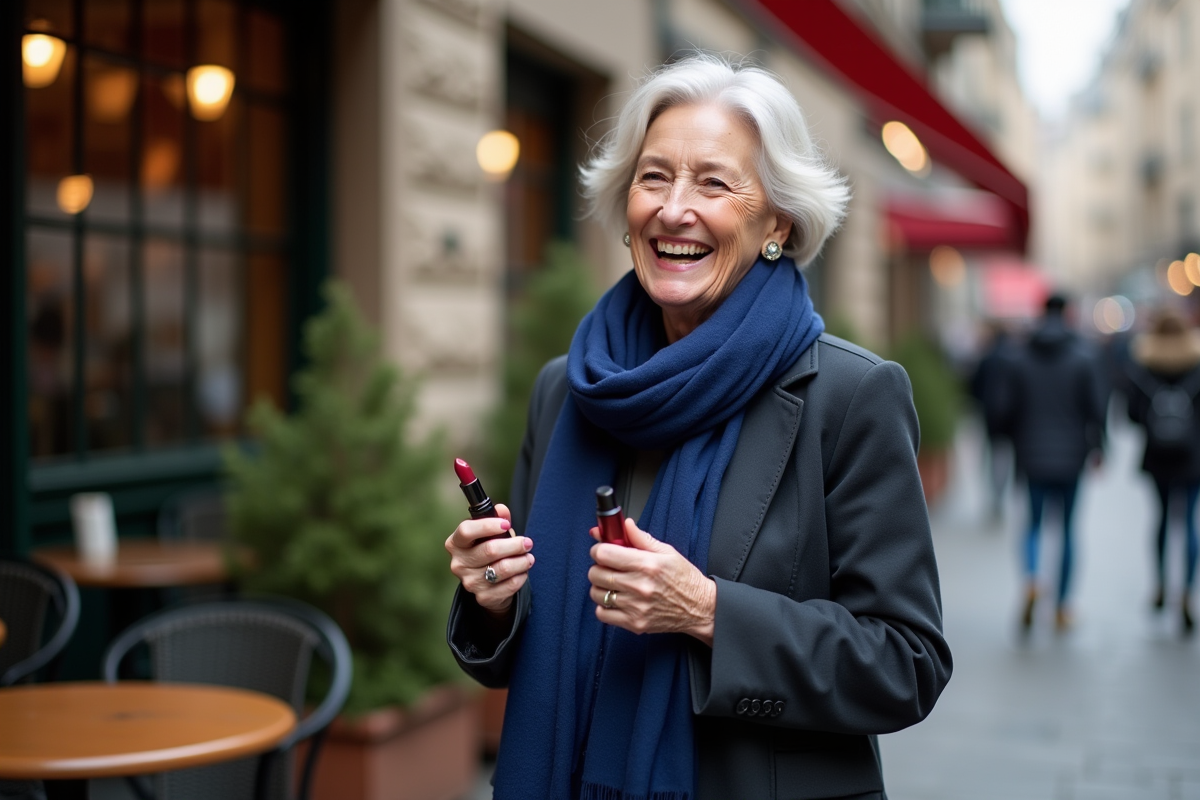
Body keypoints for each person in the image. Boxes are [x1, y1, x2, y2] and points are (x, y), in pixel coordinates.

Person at [444, 55, 952, 800]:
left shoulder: (850, 395)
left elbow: (907, 663)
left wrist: (710, 613)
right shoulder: (568, 388)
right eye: (654, 177)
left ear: (775, 222)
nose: (673, 209)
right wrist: (492, 596)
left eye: (713, 182)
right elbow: (521, 646)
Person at [995, 293, 1106, 632]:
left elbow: (1003, 410)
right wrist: (1100, 448)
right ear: (1068, 313)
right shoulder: (1083, 357)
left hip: (1032, 455)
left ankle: (1031, 579)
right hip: (1072, 455)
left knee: (1033, 524)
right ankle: (1061, 606)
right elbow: (1096, 409)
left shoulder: (1020, 357)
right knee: (1069, 530)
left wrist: (1014, 440)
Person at [1125, 306, 1200, 634]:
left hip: (1158, 455)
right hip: (1194, 456)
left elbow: (1132, 414)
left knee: (1163, 518)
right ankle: (1185, 590)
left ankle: (1159, 585)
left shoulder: (1145, 363)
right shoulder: (1196, 362)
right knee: (1189, 522)